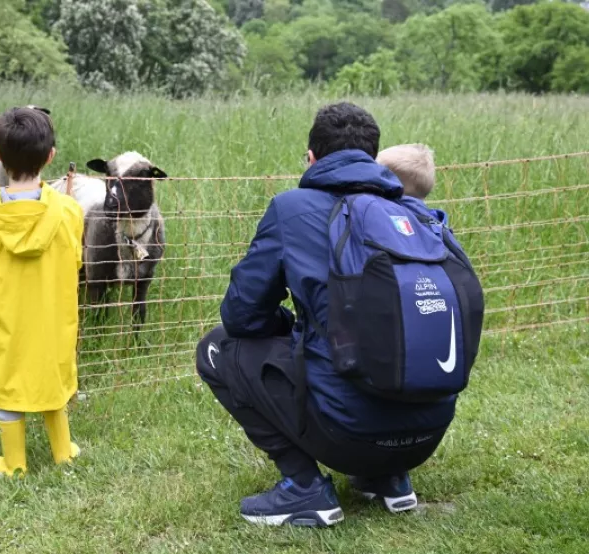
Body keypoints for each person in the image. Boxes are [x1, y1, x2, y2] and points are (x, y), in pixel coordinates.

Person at [196, 103, 482, 527]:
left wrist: (290, 327)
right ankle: (387, 478)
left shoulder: (292, 208)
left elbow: (241, 316)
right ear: (374, 157)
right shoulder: (418, 214)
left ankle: (303, 488)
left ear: (311, 157)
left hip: (346, 434)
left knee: (217, 348)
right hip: (425, 437)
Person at [0, 107, 84, 477]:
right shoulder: (69, 212)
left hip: (5, 323)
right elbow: (75, 263)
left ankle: (13, 463)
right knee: (53, 375)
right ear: (50, 157)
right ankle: (63, 451)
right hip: (52, 319)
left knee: (6, 381)